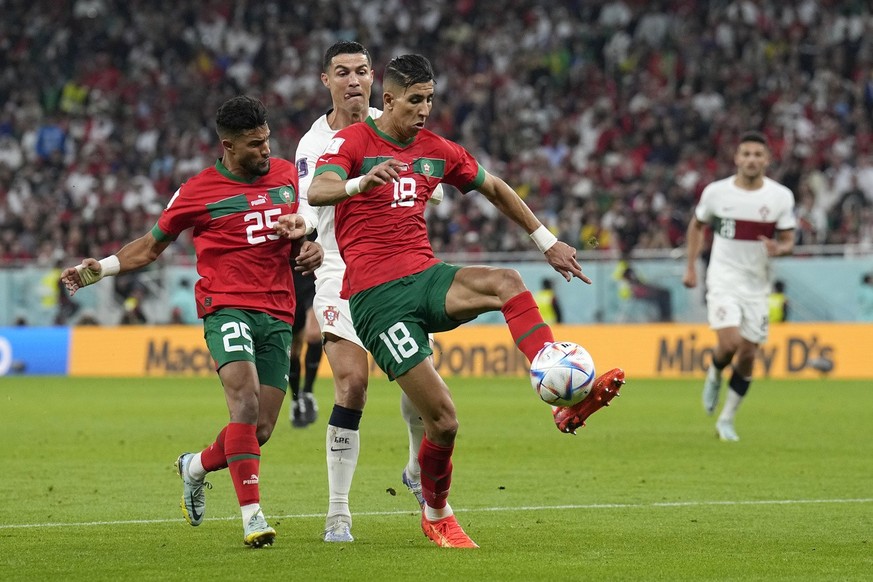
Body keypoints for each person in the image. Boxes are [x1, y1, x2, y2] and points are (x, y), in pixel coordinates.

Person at [284, 53, 625, 548]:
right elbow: (319, 189)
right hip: (377, 300)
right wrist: (361, 181)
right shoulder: (354, 140)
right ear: (390, 100)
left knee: (507, 280)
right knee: (442, 419)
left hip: (425, 276)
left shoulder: (436, 148)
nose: (424, 109)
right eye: (415, 100)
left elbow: (494, 188)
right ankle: (437, 512)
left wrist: (547, 241)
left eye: (430, 100)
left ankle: (553, 378)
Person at [61, 95, 320, 548]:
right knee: (244, 403)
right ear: (228, 146)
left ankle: (195, 465)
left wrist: (311, 243)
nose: (266, 150)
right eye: (255, 144)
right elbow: (149, 245)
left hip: (279, 312)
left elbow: (307, 228)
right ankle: (253, 516)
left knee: (260, 430)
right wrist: (98, 269)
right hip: (227, 305)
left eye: (267, 140)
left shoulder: (284, 176)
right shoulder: (198, 191)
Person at [293, 41, 440, 543]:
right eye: (342, 72)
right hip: (337, 270)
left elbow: (431, 183)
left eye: (360, 71)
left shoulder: (395, 123)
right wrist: (306, 239)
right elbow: (309, 206)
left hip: (397, 271)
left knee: (419, 390)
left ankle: (415, 471)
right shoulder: (312, 144)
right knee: (352, 385)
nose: (353, 81)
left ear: (374, 77)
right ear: (326, 80)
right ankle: (338, 510)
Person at [683, 130, 796, 442]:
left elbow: (788, 240)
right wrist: (691, 266)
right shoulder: (716, 193)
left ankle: (727, 419)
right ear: (736, 158)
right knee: (731, 343)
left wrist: (780, 248)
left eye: (758, 155)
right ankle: (716, 372)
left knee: (747, 355)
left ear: (767, 160)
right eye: (746, 154)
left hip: (758, 286)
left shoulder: (780, 197)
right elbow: (697, 225)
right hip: (722, 279)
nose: (751, 159)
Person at [288, 240, 323, 428]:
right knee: (293, 350)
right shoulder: (279, 211)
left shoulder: (316, 211)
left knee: (314, 334)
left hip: (313, 279)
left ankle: (308, 393)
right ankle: (295, 400)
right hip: (289, 282)